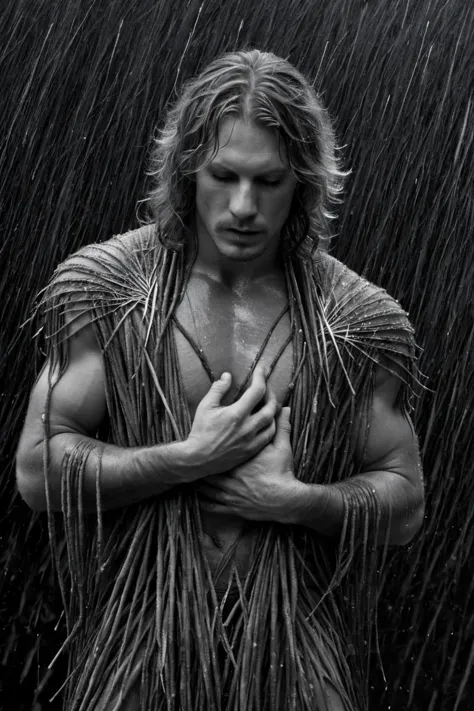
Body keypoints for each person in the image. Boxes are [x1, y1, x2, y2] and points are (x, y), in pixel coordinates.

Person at [16, 49, 424, 710]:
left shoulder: (358, 321)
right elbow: (37, 471)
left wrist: (294, 501)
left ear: (303, 182)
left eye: (268, 181)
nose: (242, 206)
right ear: (186, 171)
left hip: (295, 649)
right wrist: (184, 459)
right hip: (141, 640)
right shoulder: (109, 291)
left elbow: (404, 501)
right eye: (223, 175)